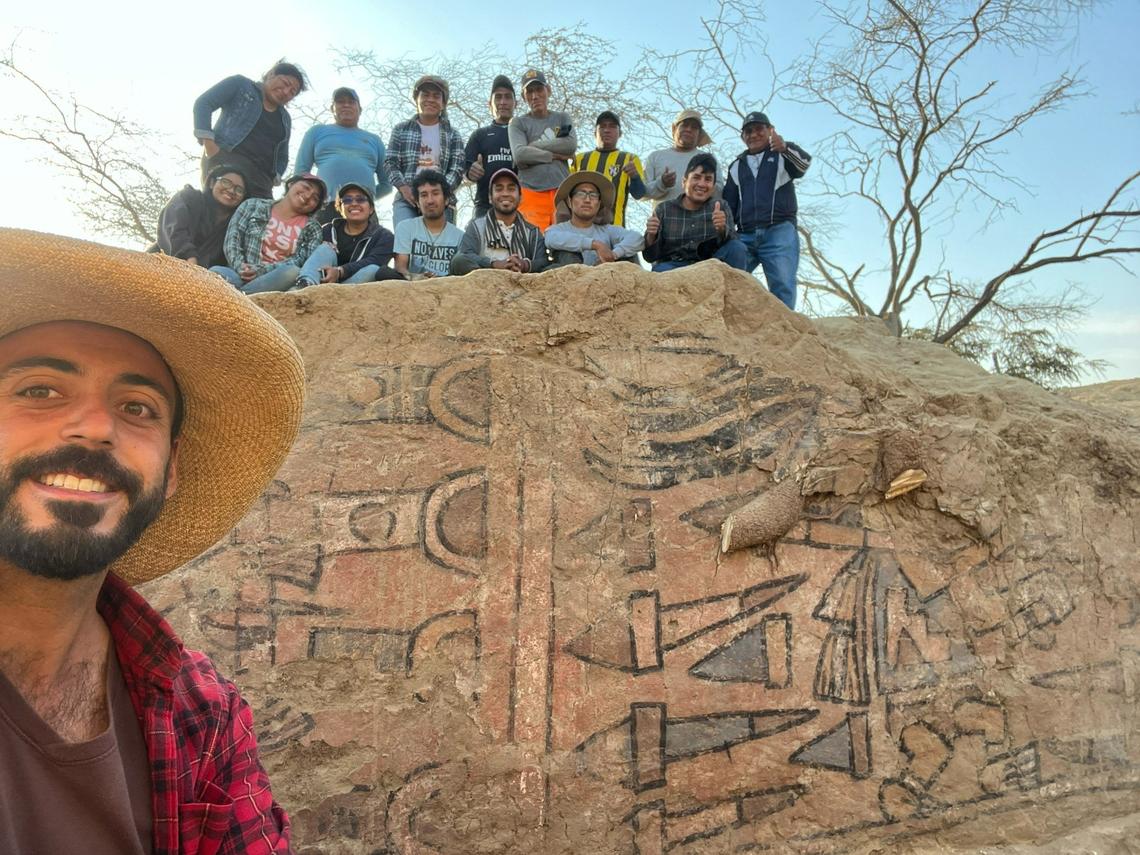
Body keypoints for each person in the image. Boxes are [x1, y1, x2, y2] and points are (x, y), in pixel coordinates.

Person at [0, 227, 304, 853]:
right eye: (39, 391)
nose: (93, 428)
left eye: (138, 407)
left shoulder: (203, 716)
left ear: (171, 473)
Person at [723, 111, 812, 310]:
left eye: (759, 129)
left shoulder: (781, 154)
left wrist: (785, 148)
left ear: (770, 130)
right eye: (748, 131)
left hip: (778, 231)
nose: (753, 135)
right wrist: (729, 234)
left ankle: (785, 333)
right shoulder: (736, 166)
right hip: (745, 235)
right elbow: (728, 204)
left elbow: (804, 165)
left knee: (782, 284)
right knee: (727, 278)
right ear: (742, 137)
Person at [193, 60, 307, 200]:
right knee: (217, 214)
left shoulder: (285, 118)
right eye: (285, 83)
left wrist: (275, 177)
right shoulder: (241, 85)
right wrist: (209, 146)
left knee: (258, 220)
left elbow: (282, 154)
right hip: (226, 161)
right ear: (271, 74)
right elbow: (204, 103)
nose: (286, 92)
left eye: (292, 92)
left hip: (262, 182)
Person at [211, 173, 326, 293]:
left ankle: (240, 296)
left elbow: (301, 260)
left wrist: (261, 270)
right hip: (239, 274)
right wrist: (240, 266)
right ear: (291, 184)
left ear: (315, 207)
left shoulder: (313, 229)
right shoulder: (253, 205)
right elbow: (233, 239)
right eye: (306, 187)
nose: (308, 196)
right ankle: (249, 297)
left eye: (315, 198)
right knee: (216, 271)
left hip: (275, 280)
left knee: (292, 272)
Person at [294, 87, 394, 225]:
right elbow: (301, 173)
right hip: (324, 207)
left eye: (351, 102)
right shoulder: (317, 132)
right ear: (332, 108)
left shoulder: (374, 140)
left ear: (360, 109)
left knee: (367, 246)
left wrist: (366, 198)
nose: (346, 105)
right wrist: (312, 199)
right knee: (321, 246)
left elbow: (387, 183)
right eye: (340, 102)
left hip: (363, 210)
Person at [643, 153, 749, 272]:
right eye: (696, 177)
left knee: (737, 247)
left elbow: (735, 248)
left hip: (710, 267)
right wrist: (651, 235)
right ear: (684, 182)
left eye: (708, 179)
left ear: (713, 187)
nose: (702, 184)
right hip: (673, 268)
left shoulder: (721, 207)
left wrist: (722, 229)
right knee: (660, 270)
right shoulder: (663, 209)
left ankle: (733, 290)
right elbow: (649, 257)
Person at [384, 75, 465, 227]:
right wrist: (404, 188)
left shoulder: (453, 134)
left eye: (436, 96)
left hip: (443, 201)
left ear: (443, 103)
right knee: (405, 241)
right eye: (425, 95)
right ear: (416, 99)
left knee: (443, 246)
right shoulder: (401, 130)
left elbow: (457, 169)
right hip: (406, 198)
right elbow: (390, 163)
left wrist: (439, 193)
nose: (430, 99)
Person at [508, 69, 577, 231]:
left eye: (539, 89)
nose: (535, 96)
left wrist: (532, 146)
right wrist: (554, 155)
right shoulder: (517, 123)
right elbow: (519, 155)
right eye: (529, 92)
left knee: (566, 248)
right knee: (532, 248)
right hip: (530, 193)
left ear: (548, 90)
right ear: (524, 97)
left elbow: (570, 144)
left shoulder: (562, 118)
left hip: (562, 193)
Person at [450, 168, 547, 275]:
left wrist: (523, 264)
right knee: (459, 260)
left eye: (511, 189)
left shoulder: (533, 232)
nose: (505, 194)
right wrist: (495, 264)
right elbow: (465, 255)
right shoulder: (476, 227)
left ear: (520, 197)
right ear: (490, 198)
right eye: (499, 189)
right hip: (484, 286)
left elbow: (543, 262)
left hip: (521, 285)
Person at [302, 182, 403, 283]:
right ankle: (305, 283)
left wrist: (340, 271)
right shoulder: (328, 230)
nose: (354, 203)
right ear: (341, 208)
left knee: (372, 269)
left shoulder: (384, 237)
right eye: (347, 200)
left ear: (371, 209)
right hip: (323, 282)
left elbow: (374, 261)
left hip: (355, 286)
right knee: (325, 248)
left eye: (361, 199)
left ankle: (339, 297)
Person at [152, 164, 247, 268]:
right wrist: (189, 257)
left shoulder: (236, 226)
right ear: (212, 183)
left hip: (205, 278)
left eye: (239, 190)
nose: (231, 190)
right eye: (226, 182)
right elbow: (173, 228)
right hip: (160, 264)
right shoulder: (189, 197)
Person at [544, 171, 644, 267]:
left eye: (593, 195)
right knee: (565, 254)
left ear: (599, 204)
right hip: (571, 282)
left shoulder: (607, 230)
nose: (587, 200)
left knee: (628, 253)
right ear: (570, 202)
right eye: (581, 194)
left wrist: (613, 254)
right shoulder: (558, 229)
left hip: (605, 280)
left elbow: (637, 238)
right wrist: (595, 245)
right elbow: (550, 238)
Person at [571, 111, 647, 228]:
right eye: (602, 127)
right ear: (595, 133)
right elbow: (568, 195)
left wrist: (635, 176)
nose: (607, 130)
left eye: (612, 126)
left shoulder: (630, 159)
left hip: (614, 231)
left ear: (620, 133)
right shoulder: (580, 159)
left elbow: (639, 194)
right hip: (581, 229)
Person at [464, 75, 518, 220]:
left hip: (519, 208)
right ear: (490, 104)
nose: (503, 102)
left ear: (515, 103)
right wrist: (470, 171)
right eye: (498, 97)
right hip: (484, 208)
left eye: (507, 97)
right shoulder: (479, 135)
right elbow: (464, 167)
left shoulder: (525, 133)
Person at [393, 169, 464, 279]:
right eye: (424, 195)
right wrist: (415, 277)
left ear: (446, 200)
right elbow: (400, 268)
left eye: (435, 193)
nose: (430, 200)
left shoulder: (460, 237)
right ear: (417, 202)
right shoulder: (405, 228)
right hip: (412, 289)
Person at [643, 109, 721, 208]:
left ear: (699, 134)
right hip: (662, 221)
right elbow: (642, 193)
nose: (688, 129)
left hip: (700, 221)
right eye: (684, 125)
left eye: (694, 127)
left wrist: (702, 185)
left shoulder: (708, 159)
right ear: (674, 129)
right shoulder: (655, 157)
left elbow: (720, 193)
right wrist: (662, 183)